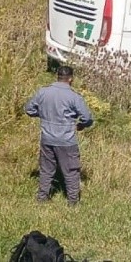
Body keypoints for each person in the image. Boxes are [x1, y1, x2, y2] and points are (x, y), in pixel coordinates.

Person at [24, 65, 93, 205]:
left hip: (47, 138)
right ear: (71, 79)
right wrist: (81, 125)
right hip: (67, 140)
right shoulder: (74, 96)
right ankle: (73, 202)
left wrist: (44, 115)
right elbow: (87, 118)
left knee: (46, 170)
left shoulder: (43, 92)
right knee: (71, 171)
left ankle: (42, 198)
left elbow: (29, 109)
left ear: (58, 76)